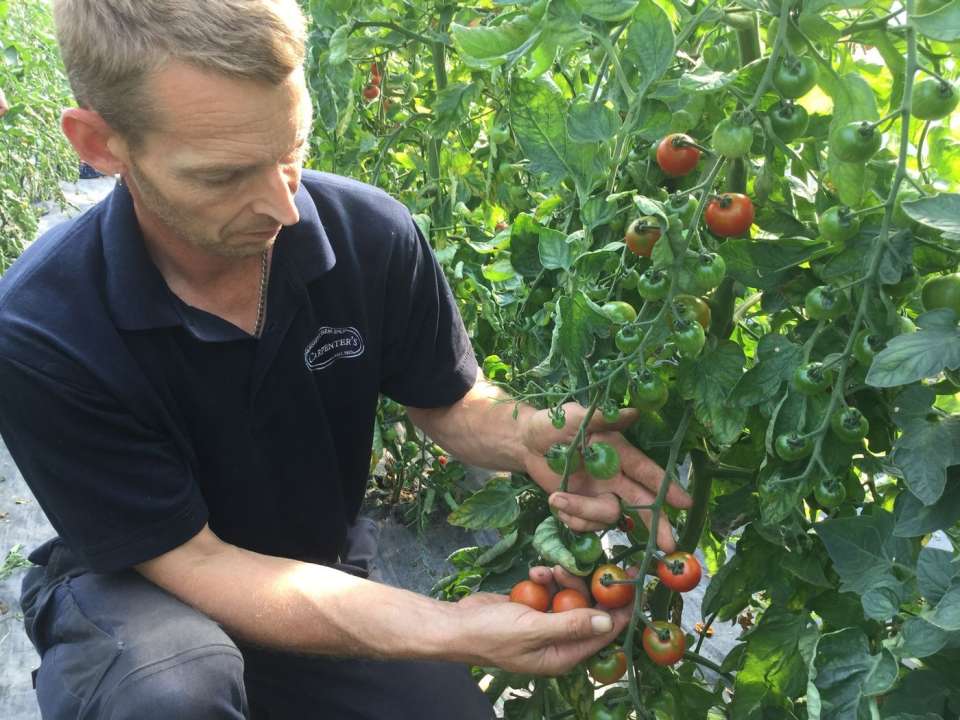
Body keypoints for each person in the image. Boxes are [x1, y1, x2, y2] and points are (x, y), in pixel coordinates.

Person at [0, 1, 691, 718]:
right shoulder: (45, 326)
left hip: (313, 571)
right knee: (173, 695)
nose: (283, 207)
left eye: (292, 149)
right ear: (102, 145)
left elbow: (448, 400)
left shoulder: (367, 233)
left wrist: (524, 433)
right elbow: (195, 563)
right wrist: (450, 627)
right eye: (222, 176)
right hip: (142, 595)